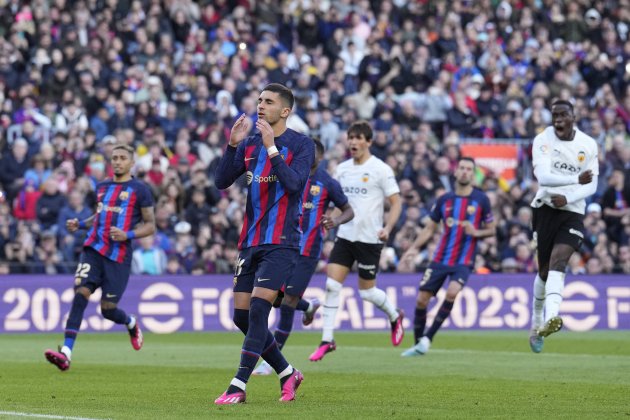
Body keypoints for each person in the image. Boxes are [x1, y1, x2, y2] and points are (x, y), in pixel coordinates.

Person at [213, 83, 315, 404]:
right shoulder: (251, 144)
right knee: (241, 318)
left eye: (268, 102)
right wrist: (232, 145)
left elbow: (295, 184)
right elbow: (221, 181)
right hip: (250, 240)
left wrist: (272, 149)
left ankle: (238, 385)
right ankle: (288, 373)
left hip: (282, 241)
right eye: (259, 100)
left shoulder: (301, 144)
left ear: (285, 111)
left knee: (259, 308)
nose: (260, 106)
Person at [44, 143, 156, 370]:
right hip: (93, 248)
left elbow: (150, 225)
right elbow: (100, 215)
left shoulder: (140, 189)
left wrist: (128, 234)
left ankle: (131, 323)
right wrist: (81, 224)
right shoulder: (102, 186)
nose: (117, 161)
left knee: (108, 310)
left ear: (131, 163)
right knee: (80, 294)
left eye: (122, 157)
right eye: (114, 157)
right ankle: (66, 352)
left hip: (119, 256)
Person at [253, 139, 354, 375]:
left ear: (320, 157)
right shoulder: (289, 174)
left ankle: (270, 361)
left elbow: (349, 210)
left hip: (308, 252)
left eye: (314, 154)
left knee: (287, 302)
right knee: (275, 298)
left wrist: (335, 220)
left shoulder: (327, 182)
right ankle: (308, 306)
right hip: (283, 245)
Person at [309, 120, 404, 362]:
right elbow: (334, 201)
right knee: (331, 286)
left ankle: (395, 316)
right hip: (345, 236)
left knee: (367, 293)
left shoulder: (380, 169)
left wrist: (388, 228)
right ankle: (326, 340)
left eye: (359, 138)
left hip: (370, 239)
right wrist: (329, 218)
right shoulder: (341, 170)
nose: (353, 142)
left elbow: (396, 202)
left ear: (369, 142)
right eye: (351, 138)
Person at [400, 157, 496, 356]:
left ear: (473, 174)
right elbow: (429, 229)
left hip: (464, 260)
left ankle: (428, 338)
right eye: (461, 168)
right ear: (455, 171)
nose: (464, 172)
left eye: (469, 169)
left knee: (452, 292)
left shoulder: (481, 200)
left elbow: (491, 230)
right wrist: (414, 248)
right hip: (440, 258)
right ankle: (418, 343)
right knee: (421, 300)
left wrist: (476, 232)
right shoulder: (444, 200)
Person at [527, 100, 598, 353]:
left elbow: (592, 186)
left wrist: (569, 196)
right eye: (554, 115)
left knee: (560, 261)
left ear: (573, 116)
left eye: (563, 115)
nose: (557, 119)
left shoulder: (588, 145)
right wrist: (573, 180)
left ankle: (551, 317)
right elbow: (543, 177)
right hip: (545, 208)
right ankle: (536, 324)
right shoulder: (543, 139)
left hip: (573, 211)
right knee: (544, 271)